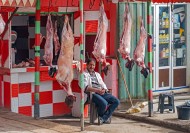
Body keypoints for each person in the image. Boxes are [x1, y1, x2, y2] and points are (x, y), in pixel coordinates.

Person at [83, 58, 120, 124]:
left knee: (116, 101)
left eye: (93, 65)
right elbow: (86, 87)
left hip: (101, 92)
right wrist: (97, 90)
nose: (92, 67)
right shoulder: (84, 74)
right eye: (90, 65)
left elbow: (102, 84)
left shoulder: (97, 74)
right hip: (93, 94)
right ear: (87, 65)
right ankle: (104, 118)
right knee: (104, 103)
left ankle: (103, 118)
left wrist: (104, 90)